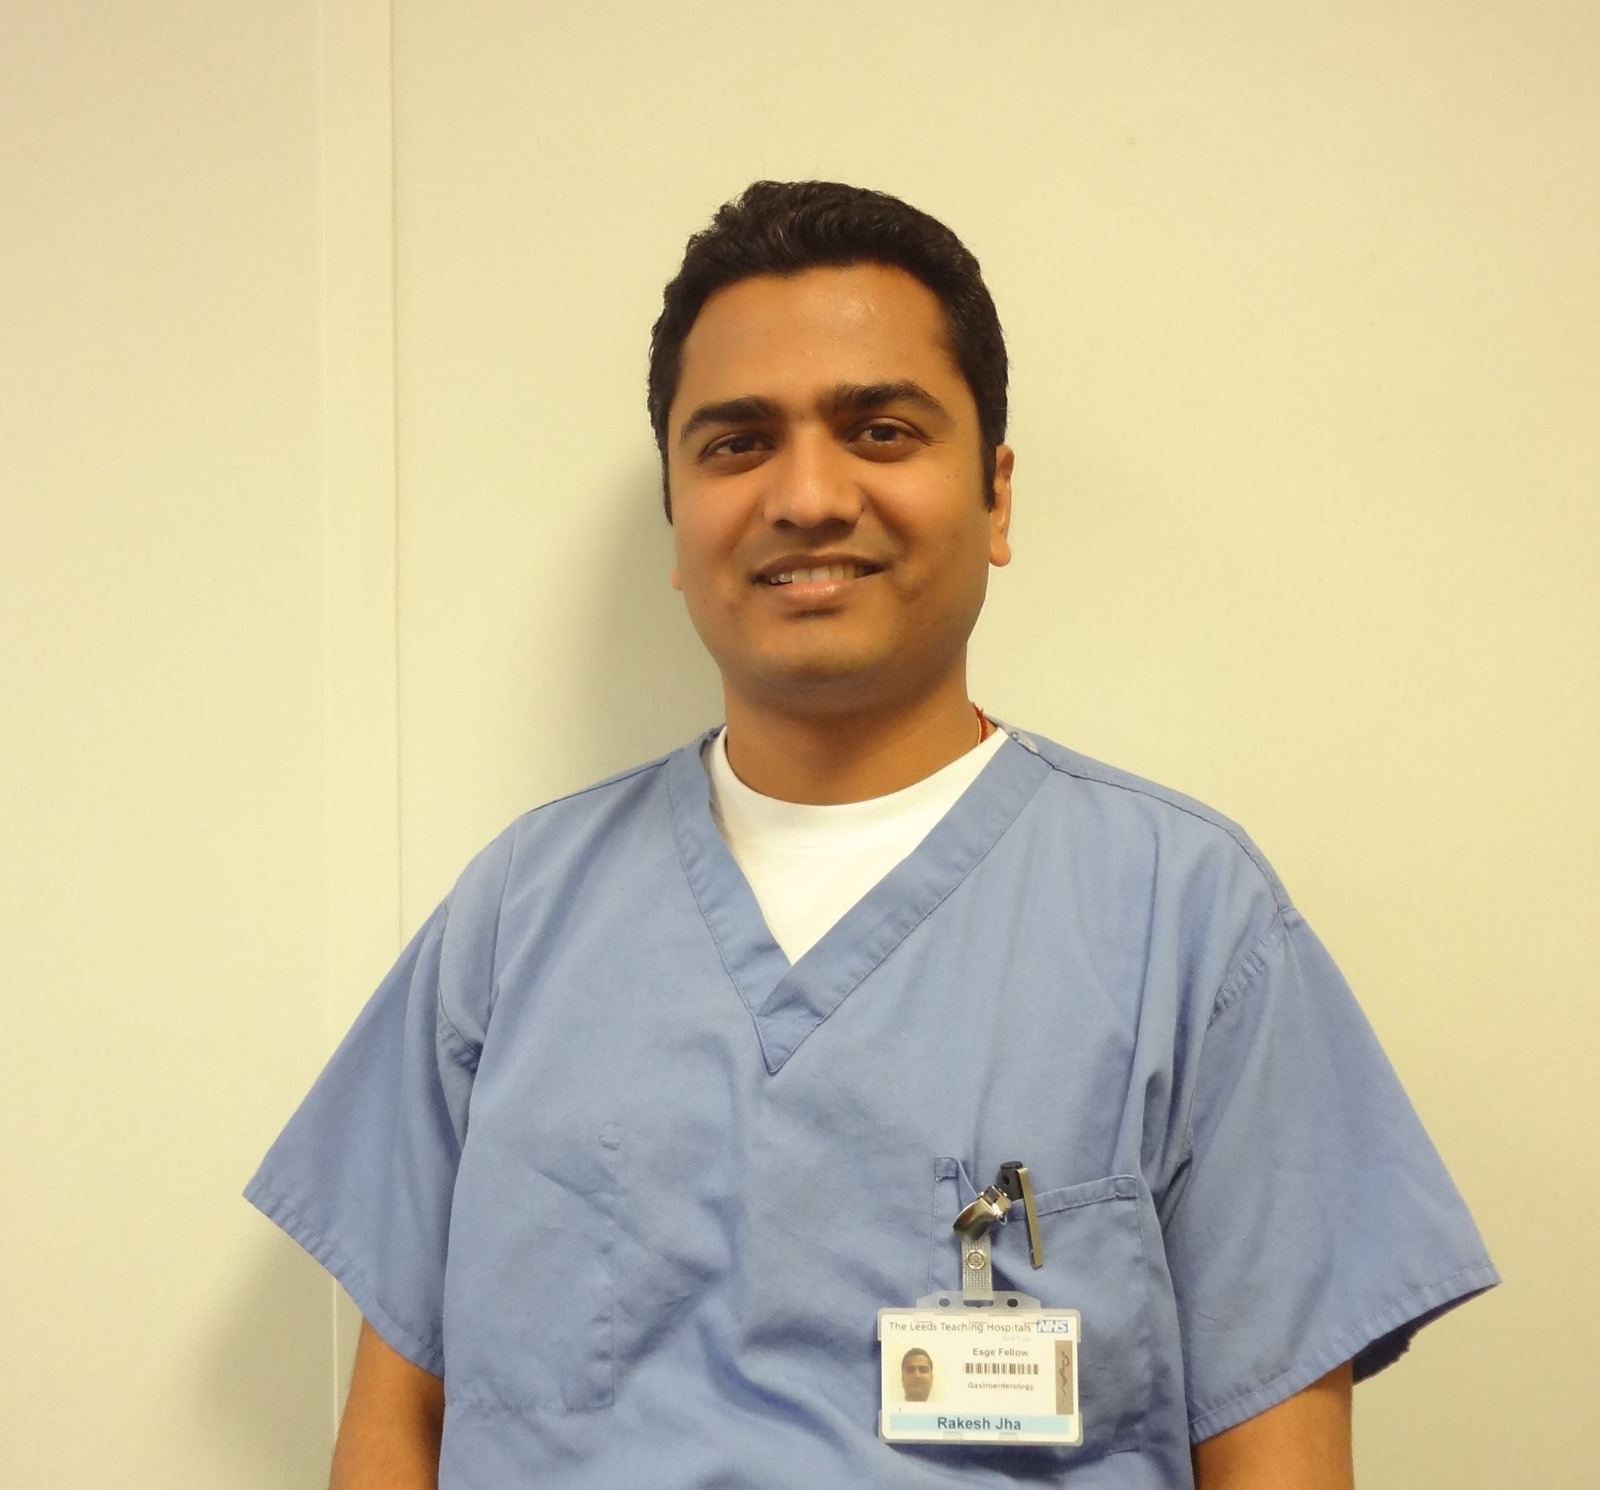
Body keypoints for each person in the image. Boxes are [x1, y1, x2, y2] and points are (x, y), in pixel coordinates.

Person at [247, 180, 1498, 1489]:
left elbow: (1279, 1462)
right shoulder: (517, 915)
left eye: (881, 430)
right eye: (738, 443)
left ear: (995, 496)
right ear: (677, 516)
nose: (806, 495)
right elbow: (395, 1427)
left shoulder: (1184, 919)